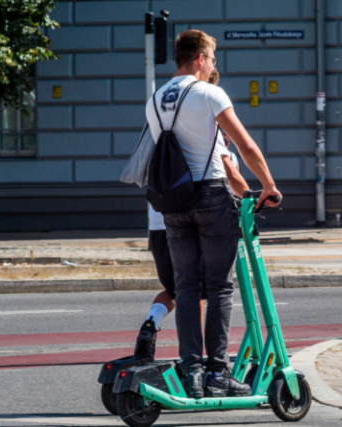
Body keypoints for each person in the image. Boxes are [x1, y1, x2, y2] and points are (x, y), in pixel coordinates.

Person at [145, 29, 281, 399]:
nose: (212, 67)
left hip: (173, 202)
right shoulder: (208, 93)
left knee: (187, 286)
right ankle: (218, 373)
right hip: (210, 195)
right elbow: (244, 144)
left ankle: (192, 372)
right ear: (201, 58)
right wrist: (268, 185)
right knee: (219, 287)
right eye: (212, 61)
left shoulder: (155, 98)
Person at [134, 70, 250, 360]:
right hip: (204, 207)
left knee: (180, 289)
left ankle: (157, 328)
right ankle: (208, 364)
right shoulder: (209, 137)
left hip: (162, 220)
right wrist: (253, 197)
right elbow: (232, 171)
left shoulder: (162, 124)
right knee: (213, 289)